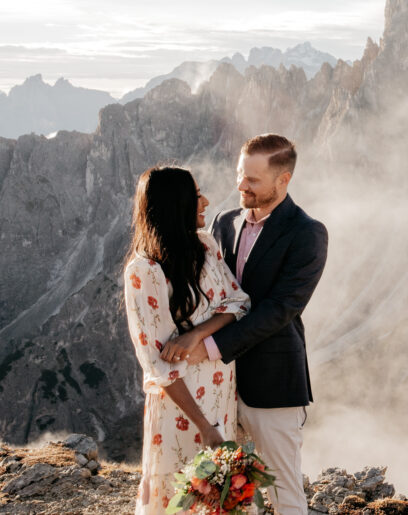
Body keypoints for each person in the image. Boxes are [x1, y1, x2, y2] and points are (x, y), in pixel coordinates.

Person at [171, 134, 328, 515]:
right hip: (218, 386)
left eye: (253, 180)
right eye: (240, 175)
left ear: (283, 180)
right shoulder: (225, 222)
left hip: (273, 384)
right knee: (229, 489)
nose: (241, 185)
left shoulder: (308, 233)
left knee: (283, 488)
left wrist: (207, 349)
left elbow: (279, 310)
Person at [123, 166, 251, 514]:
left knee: (221, 499)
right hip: (183, 410)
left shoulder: (205, 246)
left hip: (220, 395)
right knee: (184, 497)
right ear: (174, 204)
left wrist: (197, 333)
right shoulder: (144, 271)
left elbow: (239, 302)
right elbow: (158, 365)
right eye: (196, 196)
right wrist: (204, 427)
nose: (206, 201)